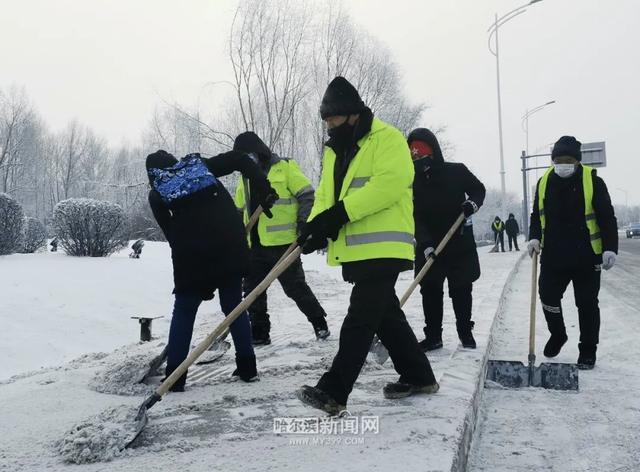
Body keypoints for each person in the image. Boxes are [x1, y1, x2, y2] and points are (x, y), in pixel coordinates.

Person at [296, 77, 437, 415]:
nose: (329, 126)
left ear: (352, 114)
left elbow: (389, 186)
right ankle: (419, 376)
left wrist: (339, 215)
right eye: (326, 121)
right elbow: (327, 193)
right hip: (358, 247)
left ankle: (334, 391)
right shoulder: (336, 149)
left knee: (360, 317)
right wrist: (313, 226)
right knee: (385, 315)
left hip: (386, 245)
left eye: (333, 119)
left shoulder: (386, 139)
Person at [146, 149, 278, 390]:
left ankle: (175, 378)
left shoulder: (157, 193)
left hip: (192, 253)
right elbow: (240, 157)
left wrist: (197, 274)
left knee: (185, 311)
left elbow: (172, 233)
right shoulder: (200, 167)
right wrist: (263, 186)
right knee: (233, 307)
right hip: (230, 242)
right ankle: (248, 369)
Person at [527, 136, 618, 370]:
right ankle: (558, 334)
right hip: (554, 255)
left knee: (586, 304)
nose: (562, 164)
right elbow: (536, 215)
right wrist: (534, 236)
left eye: (567, 160)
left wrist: (610, 248)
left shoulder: (593, 181)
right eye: (558, 160)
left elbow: (607, 217)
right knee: (547, 295)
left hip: (586, 256)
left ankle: (587, 350)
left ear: (577, 161)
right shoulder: (544, 181)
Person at [233, 132, 329, 345]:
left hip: (284, 243)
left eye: (248, 155)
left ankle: (319, 322)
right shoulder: (245, 178)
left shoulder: (284, 168)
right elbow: (240, 210)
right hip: (255, 245)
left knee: (295, 288)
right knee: (252, 292)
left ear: (259, 151)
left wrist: (304, 224)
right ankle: (259, 333)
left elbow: (306, 195)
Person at [408, 128, 486, 351]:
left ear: (433, 153)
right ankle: (433, 336)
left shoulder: (456, 171)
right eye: (414, 158)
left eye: (422, 157)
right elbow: (415, 216)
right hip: (429, 245)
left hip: (458, 242)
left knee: (461, 290)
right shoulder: (412, 182)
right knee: (430, 290)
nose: (419, 162)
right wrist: (425, 244)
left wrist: (472, 204)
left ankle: (465, 332)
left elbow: (478, 190)